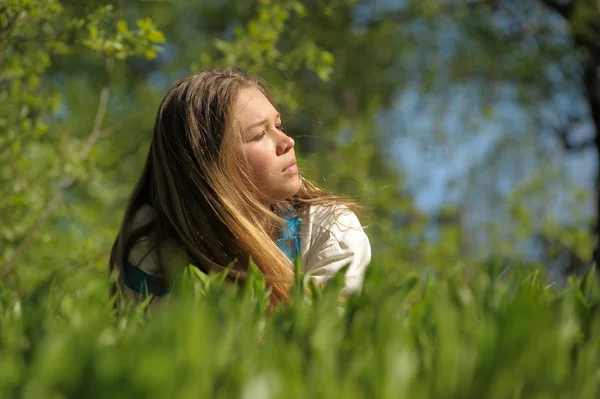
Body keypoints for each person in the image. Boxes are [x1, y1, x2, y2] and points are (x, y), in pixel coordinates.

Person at [108, 68, 371, 310]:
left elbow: (326, 340)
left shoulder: (327, 227)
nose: (287, 142)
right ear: (209, 167)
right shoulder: (153, 249)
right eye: (259, 136)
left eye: (278, 126)